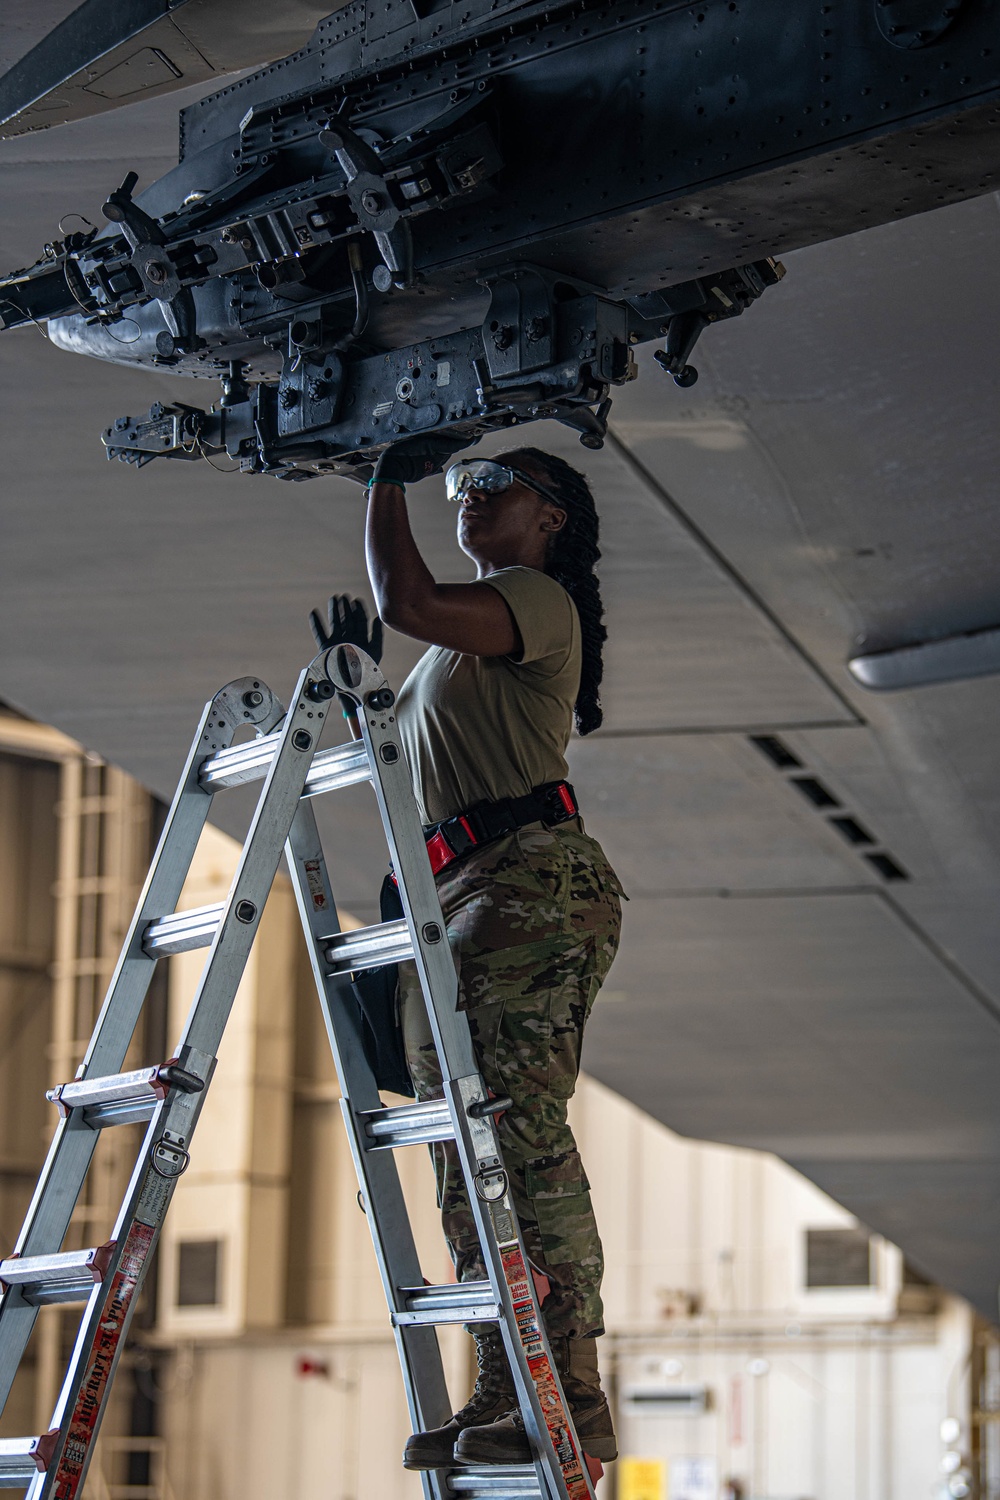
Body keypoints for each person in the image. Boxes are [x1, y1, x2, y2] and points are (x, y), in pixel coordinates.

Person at [357, 435, 625, 1468]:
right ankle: (504, 1385)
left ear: (548, 517)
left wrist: (387, 475)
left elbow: (408, 599)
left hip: (527, 887)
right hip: (466, 893)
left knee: (515, 1144)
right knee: (468, 1161)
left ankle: (568, 1395)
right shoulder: (458, 650)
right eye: (458, 485)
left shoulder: (535, 600)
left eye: (488, 486)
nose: (467, 498)